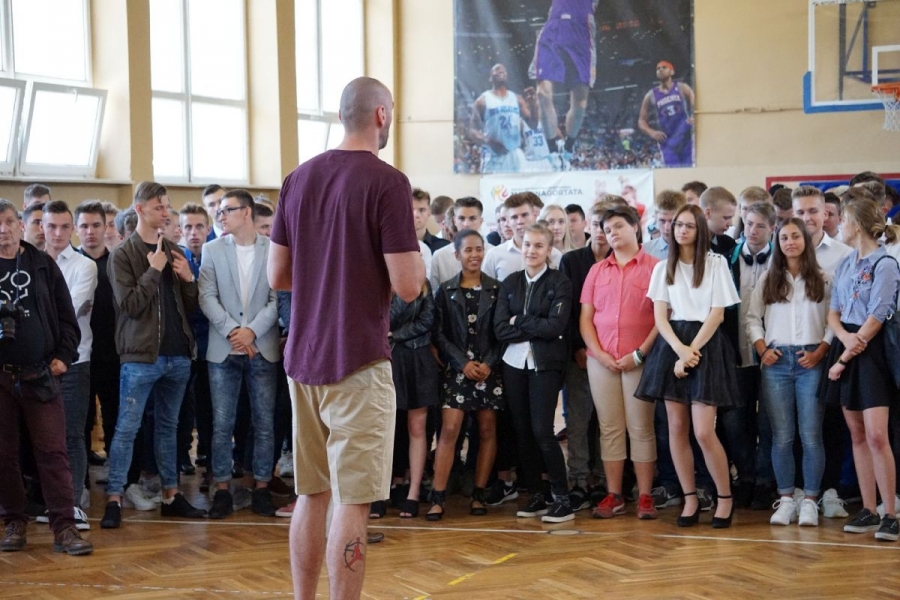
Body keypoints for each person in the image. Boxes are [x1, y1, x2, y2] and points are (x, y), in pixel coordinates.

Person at [267, 77, 424, 600]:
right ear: (381, 115)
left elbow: (277, 276)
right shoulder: (388, 182)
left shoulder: (297, 178)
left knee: (311, 494)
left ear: (341, 116)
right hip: (357, 360)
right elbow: (408, 286)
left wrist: (328, 271)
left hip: (303, 358)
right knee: (353, 503)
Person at [100, 181, 207, 529]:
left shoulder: (173, 249)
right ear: (140, 209)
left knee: (168, 429)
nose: (165, 212)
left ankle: (171, 496)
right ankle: (114, 498)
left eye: (167, 206)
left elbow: (191, 307)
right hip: (140, 357)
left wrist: (188, 279)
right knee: (127, 428)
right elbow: (130, 306)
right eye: (159, 206)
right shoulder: (123, 254)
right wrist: (153, 270)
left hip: (178, 355)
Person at [635, 204, 741, 528]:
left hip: (706, 343)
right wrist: (679, 351)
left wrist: (690, 352)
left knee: (704, 431)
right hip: (673, 344)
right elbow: (660, 316)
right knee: (676, 428)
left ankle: (724, 497)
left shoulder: (715, 263)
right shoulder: (662, 268)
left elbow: (717, 314)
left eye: (688, 226)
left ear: (700, 230)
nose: (681, 230)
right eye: (678, 224)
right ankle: (690, 498)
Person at [0, 198, 92, 555]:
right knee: (4, 454)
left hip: (40, 374)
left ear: (22, 225)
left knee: (53, 452)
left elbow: (68, 317)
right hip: (1, 379)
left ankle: (64, 527)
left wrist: (63, 358)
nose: (3, 230)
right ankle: (14, 521)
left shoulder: (41, 264)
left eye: (9, 222)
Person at [821, 191, 900, 541]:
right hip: (849, 344)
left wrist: (845, 357)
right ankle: (868, 509)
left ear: (855, 224)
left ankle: (890, 512)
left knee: (877, 435)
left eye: (843, 219)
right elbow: (834, 312)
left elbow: (878, 316)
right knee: (856, 434)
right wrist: (843, 338)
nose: (838, 224)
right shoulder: (845, 264)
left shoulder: (886, 264)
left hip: (871, 353)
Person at [200, 190, 280, 519]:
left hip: (262, 346)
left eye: (227, 210)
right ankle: (222, 489)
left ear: (246, 212)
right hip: (224, 347)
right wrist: (235, 331)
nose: (220, 216)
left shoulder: (273, 248)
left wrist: (252, 332)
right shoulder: (212, 249)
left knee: (264, 423)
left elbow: (277, 298)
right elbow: (206, 296)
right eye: (219, 211)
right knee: (222, 423)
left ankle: (261, 488)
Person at [746, 217, 831, 526]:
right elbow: (752, 318)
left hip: (811, 360)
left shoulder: (823, 278)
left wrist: (820, 351)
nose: (790, 242)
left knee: (811, 435)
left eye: (795, 236)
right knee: (781, 436)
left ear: (805, 240)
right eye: (784, 238)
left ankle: (809, 500)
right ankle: (785, 499)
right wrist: (761, 349)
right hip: (777, 362)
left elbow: (833, 321)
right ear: (778, 243)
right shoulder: (769, 278)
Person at [580, 204, 659, 519]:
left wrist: (639, 353)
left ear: (635, 227)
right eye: (606, 229)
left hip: (640, 360)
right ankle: (614, 495)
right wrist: (599, 354)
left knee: (641, 427)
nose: (612, 233)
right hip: (601, 361)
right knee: (609, 428)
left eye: (618, 226)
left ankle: (645, 496)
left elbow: (662, 318)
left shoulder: (655, 268)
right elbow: (586, 318)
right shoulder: (597, 270)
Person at [494, 223, 573, 523]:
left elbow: (555, 327)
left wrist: (519, 320)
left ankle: (562, 498)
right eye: (527, 244)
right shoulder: (510, 282)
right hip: (513, 364)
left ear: (549, 249)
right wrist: (533, 323)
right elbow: (500, 329)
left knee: (542, 430)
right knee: (523, 432)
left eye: (539, 245)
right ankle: (537, 495)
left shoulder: (560, 282)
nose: (531, 250)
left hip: (546, 365)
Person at [429, 230, 503, 520]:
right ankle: (438, 497)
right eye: (468, 250)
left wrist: (489, 363)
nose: (474, 255)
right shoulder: (445, 290)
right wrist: (462, 363)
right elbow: (439, 334)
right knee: (449, 430)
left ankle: (479, 494)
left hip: (488, 370)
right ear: (457, 254)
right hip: (457, 369)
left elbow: (502, 332)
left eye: (479, 249)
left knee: (486, 430)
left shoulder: (497, 289)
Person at [42, 201, 98, 530]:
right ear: (41, 227)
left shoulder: (84, 266)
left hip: (76, 360)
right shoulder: (28, 264)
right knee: (42, 438)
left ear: (73, 229)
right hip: (34, 362)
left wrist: (33, 316)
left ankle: (73, 504)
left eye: (65, 227)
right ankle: (50, 503)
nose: (58, 233)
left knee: (73, 435)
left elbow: (69, 313)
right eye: (52, 226)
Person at [558, 201, 611, 509]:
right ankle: (578, 479)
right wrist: (578, 347)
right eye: (597, 223)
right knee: (577, 420)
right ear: (588, 224)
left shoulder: (620, 260)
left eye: (608, 224)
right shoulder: (572, 260)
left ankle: (604, 480)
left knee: (607, 422)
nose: (602, 230)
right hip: (579, 353)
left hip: (612, 354)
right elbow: (567, 310)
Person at [384, 281, 438, 519]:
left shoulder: (422, 283)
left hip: (418, 357)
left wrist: (395, 334)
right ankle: (380, 493)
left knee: (417, 428)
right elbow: (381, 321)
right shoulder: (377, 281)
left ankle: (413, 493)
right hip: (387, 358)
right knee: (385, 429)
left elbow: (427, 322)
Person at [76, 202, 119, 473]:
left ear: (106, 228)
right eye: (84, 226)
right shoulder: (68, 264)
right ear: (76, 229)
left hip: (113, 354)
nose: (90, 231)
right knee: (82, 421)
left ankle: (118, 478)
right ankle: (80, 482)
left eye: (96, 225)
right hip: (79, 356)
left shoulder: (118, 264)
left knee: (115, 417)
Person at [532, 0, 597, 167]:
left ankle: (568, 147)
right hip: (553, 27)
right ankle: (552, 151)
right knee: (542, 93)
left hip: (581, 30)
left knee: (580, 103)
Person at [483, 192, 563, 282]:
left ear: (534, 215)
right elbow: (485, 289)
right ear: (508, 221)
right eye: (514, 217)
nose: (520, 221)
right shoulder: (494, 255)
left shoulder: (555, 255)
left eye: (525, 215)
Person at [470, 64, 533, 174]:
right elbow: (472, 130)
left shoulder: (517, 98)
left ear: (507, 76)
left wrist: (534, 104)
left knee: (520, 184)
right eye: (496, 70)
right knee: (494, 185)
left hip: (515, 154)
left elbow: (533, 124)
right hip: (494, 156)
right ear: (490, 78)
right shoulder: (482, 100)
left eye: (503, 70)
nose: (500, 71)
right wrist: (488, 140)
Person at [638, 61, 695, 168]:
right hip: (667, 141)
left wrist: (694, 118)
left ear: (672, 71)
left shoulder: (682, 88)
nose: (660, 69)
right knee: (672, 172)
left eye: (664, 67)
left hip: (686, 138)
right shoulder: (651, 95)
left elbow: (698, 106)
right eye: (658, 68)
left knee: (689, 170)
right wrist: (651, 132)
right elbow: (641, 121)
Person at [430, 197, 492, 291]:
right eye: (461, 218)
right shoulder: (439, 256)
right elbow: (434, 292)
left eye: (472, 218)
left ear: (481, 221)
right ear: (454, 221)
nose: (466, 224)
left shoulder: (493, 253)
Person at [643, 190, 687, 260]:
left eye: (672, 221)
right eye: (662, 221)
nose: (667, 228)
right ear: (655, 218)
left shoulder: (698, 251)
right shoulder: (644, 251)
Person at [700, 187, 737, 258]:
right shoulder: (688, 243)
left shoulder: (730, 244)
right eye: (726, 218)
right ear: (708, 213)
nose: (730, 224)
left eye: (731, 217)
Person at [413, 188, 450, 254]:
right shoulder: (394, 247)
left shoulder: (444, 246)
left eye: (422, 210)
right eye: (410, 210)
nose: (416, 215)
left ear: (429, 212)